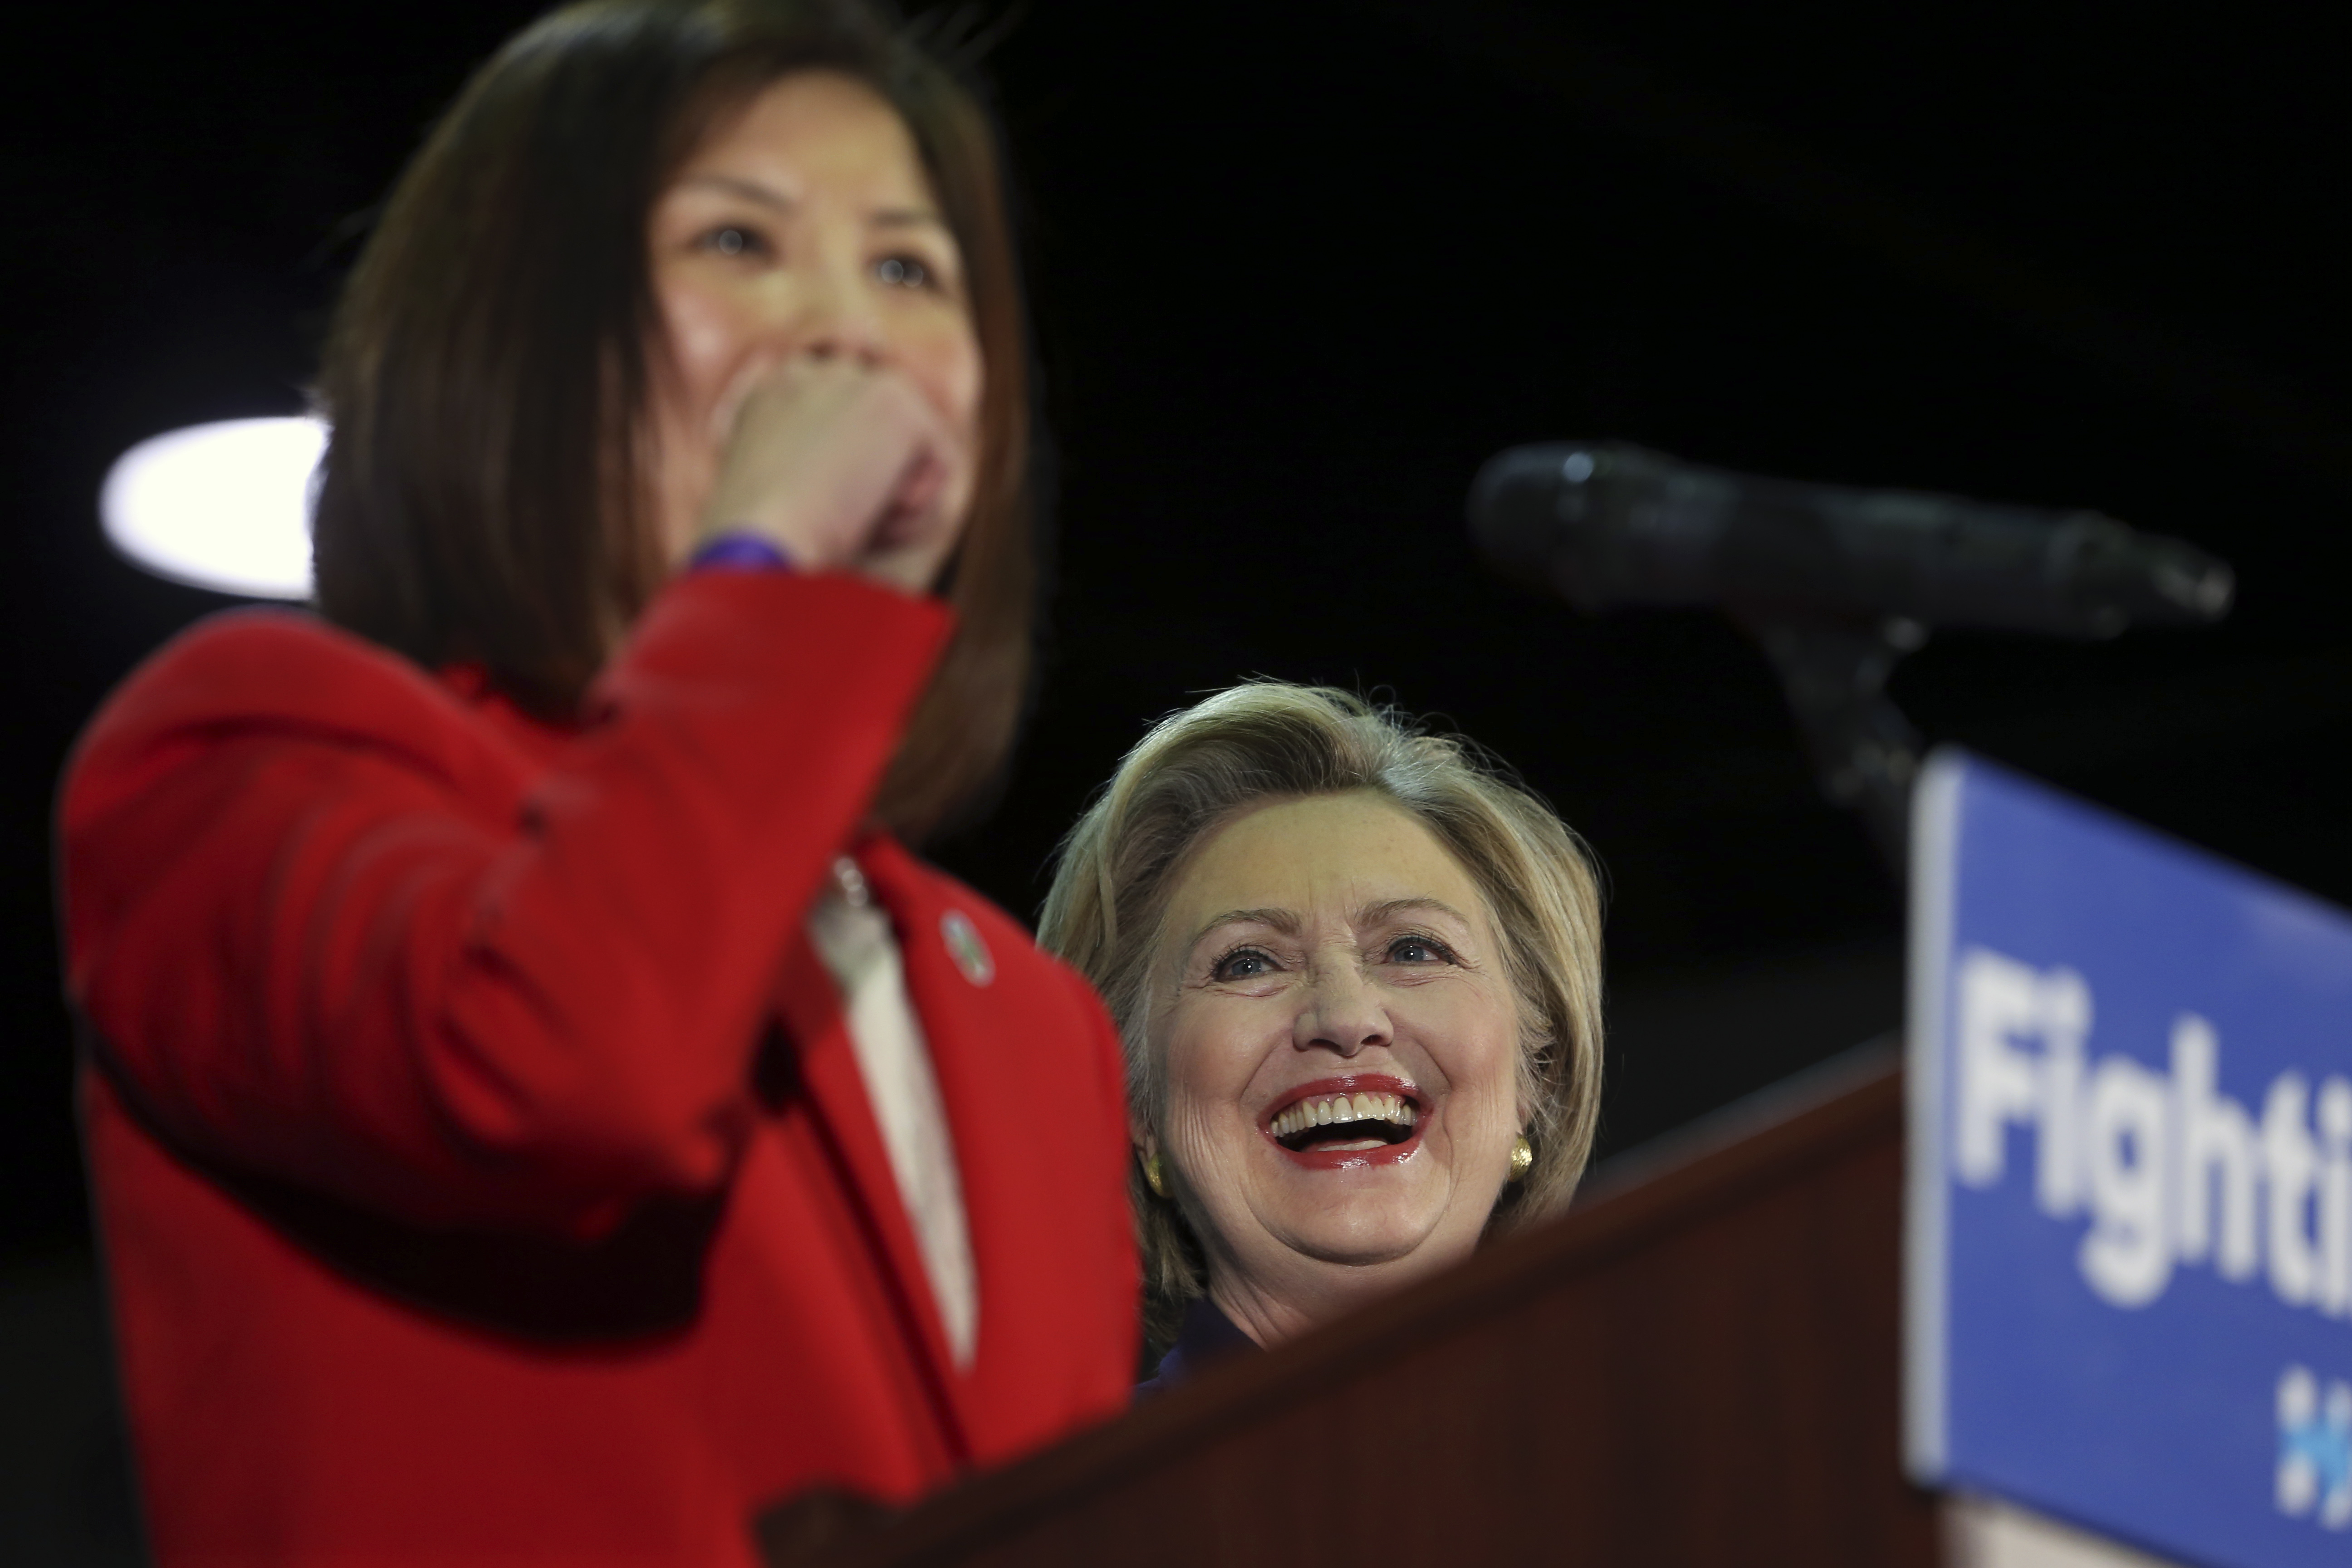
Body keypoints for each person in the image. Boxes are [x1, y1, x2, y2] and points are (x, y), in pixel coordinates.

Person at [57, 2, 1137, 1562]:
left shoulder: (1029, 1018)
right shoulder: (234, 751)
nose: (845, 332)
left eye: (909, 267)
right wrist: (763, 575)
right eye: (736, 241)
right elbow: (569, 1072)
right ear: (514, 336)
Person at [1037, 684, 1605, 1389]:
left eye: (1413, 951)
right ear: (1136, 1109)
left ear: (1537, 1075)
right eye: (1247, 962)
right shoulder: (1081, 1500)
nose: (1345, 1016)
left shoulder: (1706, 1453)